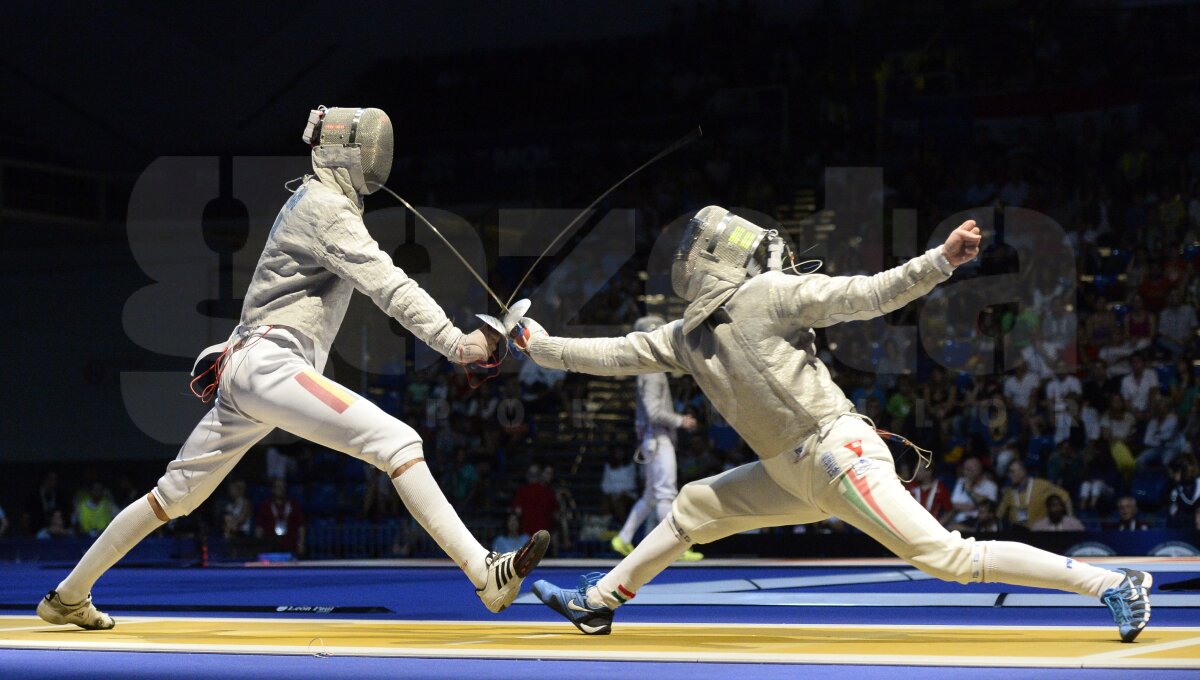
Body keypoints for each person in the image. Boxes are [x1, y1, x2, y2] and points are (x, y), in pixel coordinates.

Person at [515, 208, 1149, 641]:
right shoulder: (684, 338)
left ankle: (1114, 582)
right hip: (790, 473)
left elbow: (868, 294)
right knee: (693, 506)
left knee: (949, 558)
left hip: (837, 454)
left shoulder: (768, 296)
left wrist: (940, 261)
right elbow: (613, 354)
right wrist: (539, 345)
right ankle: (598, 605)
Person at [37, 106, 548, 631]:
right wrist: (457, 343)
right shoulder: (325, 208)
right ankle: (486, 574)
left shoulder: (314, 201)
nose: (377, 159)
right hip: (269, 367)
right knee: (398, 443)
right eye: (370, 148)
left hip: (250, 370)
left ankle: (68, 597)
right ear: (345, 152)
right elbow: (387, 283)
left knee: (173, 497)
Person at [610, 316, 702, 562]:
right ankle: (676, 547)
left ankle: (624, 538)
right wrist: (681, 420)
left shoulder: (647, 368)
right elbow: (653, 412)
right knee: (665, 493)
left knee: (652, 494)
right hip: (658, 439)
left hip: (652, 439)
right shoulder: (652, 371)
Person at [995, 459, 1073, 529]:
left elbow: (1065, 497)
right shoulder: (1009, 492)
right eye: (1009, 472)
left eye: (1012, 471)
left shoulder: (1041, 485)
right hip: (1017, 533)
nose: (1009, 475)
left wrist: (1070, 522)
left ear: (1023, 472)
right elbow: (999, 515)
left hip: (1038, 532)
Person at [254, 479, 306, 556]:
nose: (281, 490)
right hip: (270, 545)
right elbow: (259, 527)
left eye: (283, 487)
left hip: (290, 544)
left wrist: (301, 543)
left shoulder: (293, 505)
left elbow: (301, 526)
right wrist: (258, 545)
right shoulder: (265, 506)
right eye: (278, 487)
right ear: (273, 489)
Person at [946, 457, 997, 528]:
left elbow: (989, 508)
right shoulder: (961, 481)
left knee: (952, 529)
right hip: (957, 519)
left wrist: (970, 491)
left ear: (979, 470)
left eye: (969, 470)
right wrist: (972, 507)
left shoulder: (990, 486)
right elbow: (952, 504)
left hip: (977, 522)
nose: (965, 472)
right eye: (965, 469)